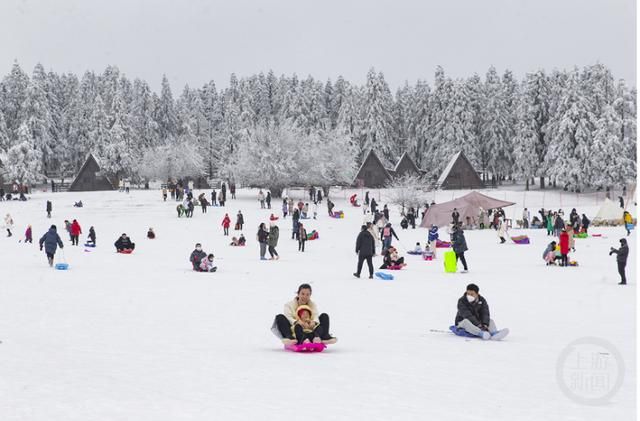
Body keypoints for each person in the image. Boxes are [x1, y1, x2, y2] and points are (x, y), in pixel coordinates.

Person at [272, 284, 336, 345]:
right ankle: (290, 337)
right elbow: (288, 317)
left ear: (310, 295)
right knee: (279, 317)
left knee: (324, 316)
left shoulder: (312, 305)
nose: (305, 297)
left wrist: (313, 322)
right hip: (294, 330)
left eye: (307, 294)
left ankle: (324, 336)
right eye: (302, 294)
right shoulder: (289, 305)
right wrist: (297, 322)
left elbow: (315, 315)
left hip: (310, 330)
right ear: (298, 294)